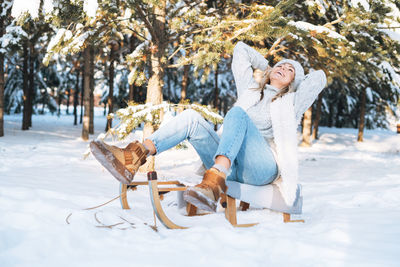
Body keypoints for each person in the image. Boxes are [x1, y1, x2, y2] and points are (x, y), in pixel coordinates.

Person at [90, 41, 327, 213]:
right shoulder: (252, 90)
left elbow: (319, 78)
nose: (283, 68)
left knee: (237, 114)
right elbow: (241, 50)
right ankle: (134, 156)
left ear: (293, 82)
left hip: (263, 168)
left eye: (289, 70)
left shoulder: (292, 102)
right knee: (192, 117)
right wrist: (267, 66)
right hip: (233, 164)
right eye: (281, 65)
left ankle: (214, 181)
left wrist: (297, 81)